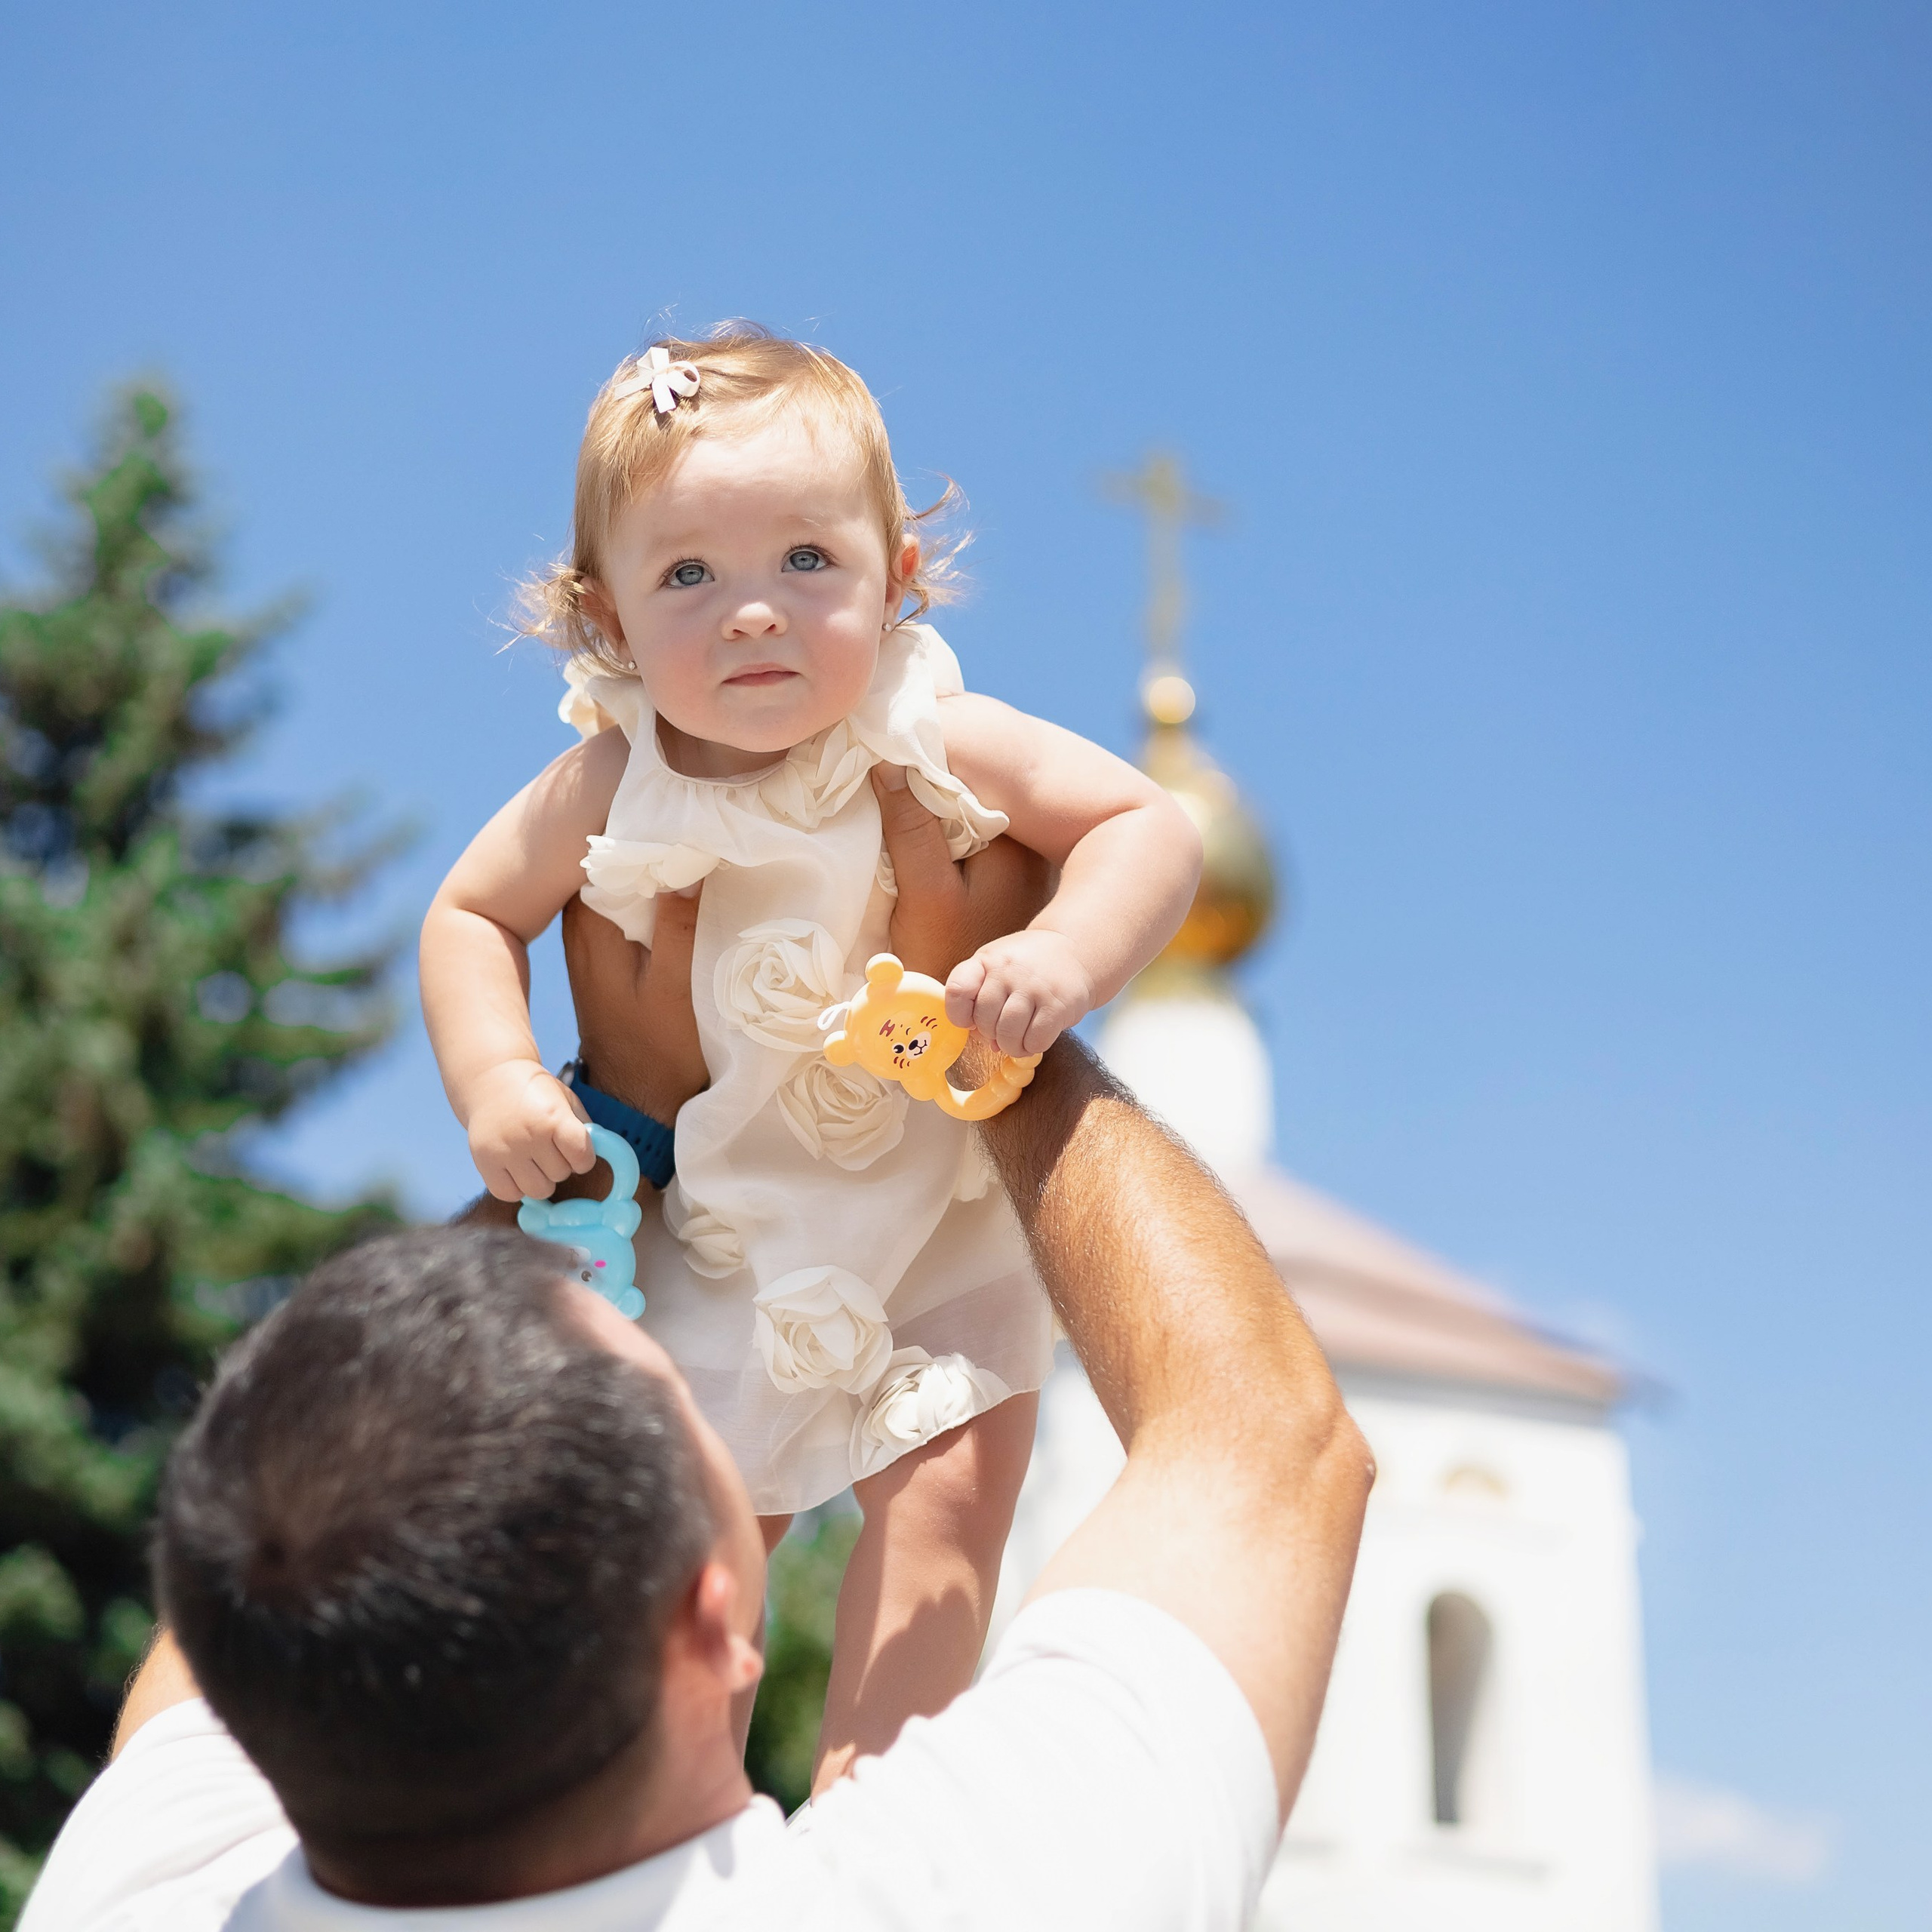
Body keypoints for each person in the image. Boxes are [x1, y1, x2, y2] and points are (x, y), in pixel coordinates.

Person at [22, 788, 1374, 1932]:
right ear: (713, 1622)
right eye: (670, 1379)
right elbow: (1263, 1445)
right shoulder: (947, 1891)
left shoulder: (158, 1881)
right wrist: (989, 1055)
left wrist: (611, 1123)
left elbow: (306, 1488)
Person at [417, 324, 1202, 1792]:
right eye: (688, 576)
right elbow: (470, 910)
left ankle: (868, 1813)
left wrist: (1062, 954)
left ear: (896, 574)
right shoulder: (612, 771)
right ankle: (667, 1818)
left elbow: (1144, 826)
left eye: (805, 563)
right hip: (729, 1232)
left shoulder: (931, 733)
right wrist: (497, 1079)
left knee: (946, 1513)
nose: (753, 615)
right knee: (693, 1552)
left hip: (934, 1227)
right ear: (604, 619)